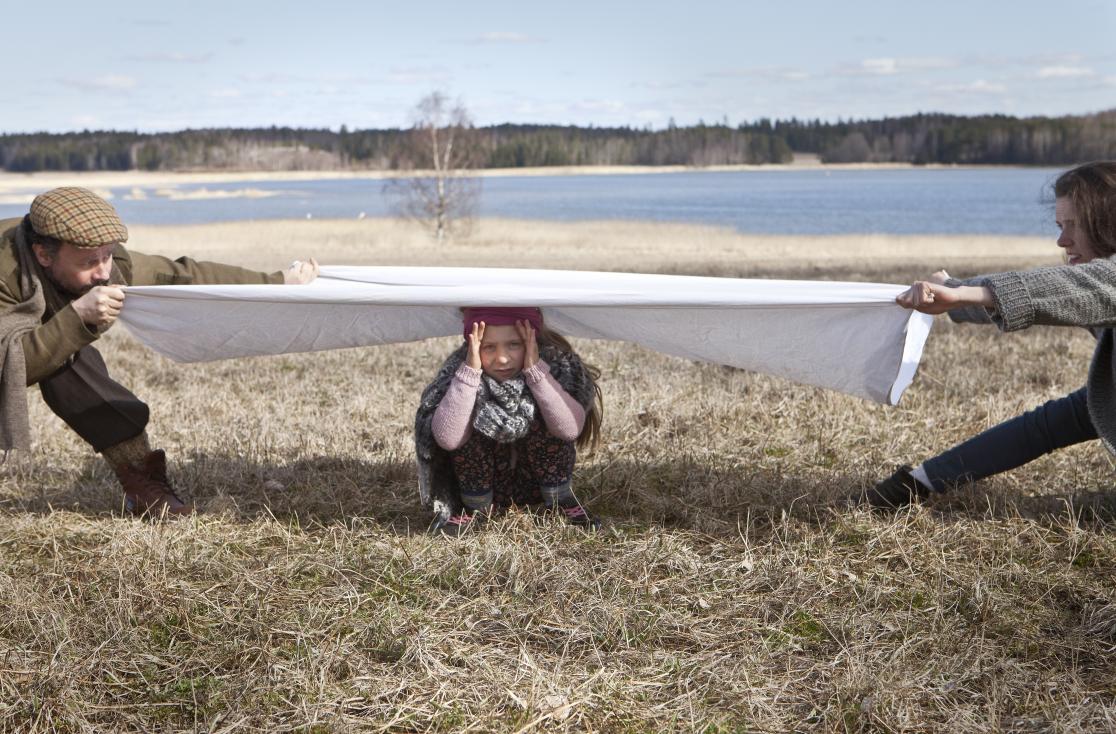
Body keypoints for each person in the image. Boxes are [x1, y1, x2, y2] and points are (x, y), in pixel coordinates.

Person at [0, 186, 320, 516]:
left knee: (71, 358)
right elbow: (8, 364)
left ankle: (141, 481)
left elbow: (182, 275)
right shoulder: (5, 271)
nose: (104, 273)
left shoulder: (112, 264)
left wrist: (277, 282)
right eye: (89, 262)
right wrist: (77, 316)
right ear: (43, 255)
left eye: (106, 256)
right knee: (63, 337)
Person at [861, 160, 1116, 508]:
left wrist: (958, 291)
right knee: (1073, 412)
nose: (1062, 239)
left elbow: (1066, 287)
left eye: (1074, 225)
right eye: (1059, 225)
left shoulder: (1102, 282)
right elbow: (1063, 294)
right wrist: (923, 480)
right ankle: (921, 482)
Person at [414, 306, 603, 535]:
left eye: (514, 345)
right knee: (467, 412)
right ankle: (476, 509)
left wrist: (536, 373)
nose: (502, 358)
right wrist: (470, 374)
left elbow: (569, 429)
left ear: (532, 341)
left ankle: (560, 501)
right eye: (488, 347)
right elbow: (448, 439)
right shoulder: (460, 371)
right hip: (481, 490)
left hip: (541, 485)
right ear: (472, 346)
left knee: (548, 410)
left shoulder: (556, 366)